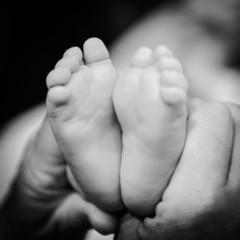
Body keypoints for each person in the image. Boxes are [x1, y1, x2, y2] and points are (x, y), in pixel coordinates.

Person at [1, 0, 240, 239]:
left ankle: (125, 167)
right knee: (161, 83)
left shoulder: (174, 26)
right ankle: (141, 170)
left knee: (148, 72)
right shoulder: (179, 24)